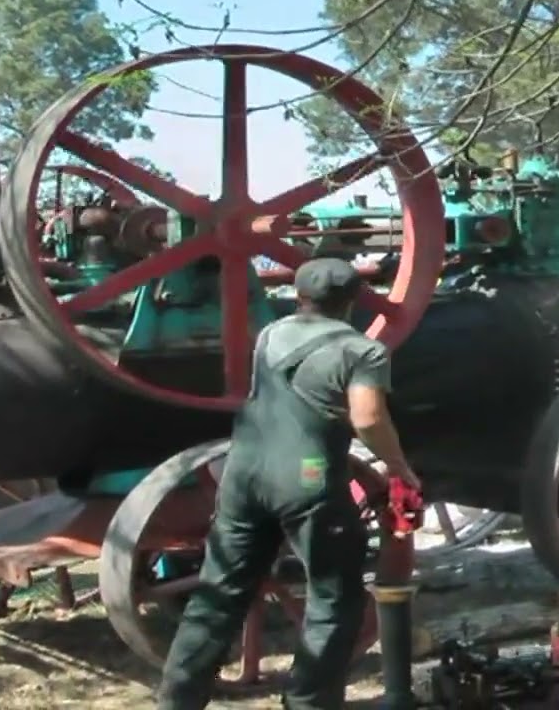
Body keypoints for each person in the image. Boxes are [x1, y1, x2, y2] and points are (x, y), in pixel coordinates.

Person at [156, 258, 421, 710]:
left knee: (218, 597)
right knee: (334, 599)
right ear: (353, 300)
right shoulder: (362, 351)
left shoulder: (271, 335)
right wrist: (398, 465)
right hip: (307, 484)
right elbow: (368, 417)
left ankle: (178, 700)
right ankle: (307, 701)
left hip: (242, 475)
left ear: (300, 296)